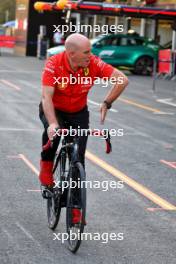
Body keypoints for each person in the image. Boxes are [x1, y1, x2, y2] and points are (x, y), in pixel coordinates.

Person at [39, 33, 129, 195]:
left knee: (78, 158)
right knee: (54, 135)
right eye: (86, 52)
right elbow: (46, 97)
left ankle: (75, 210)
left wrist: (107, 102)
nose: (91, 55)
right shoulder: (54, 64)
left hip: (78, 112)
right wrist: (52, 123)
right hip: (55, 108)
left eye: (91, 51)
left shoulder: (93, 63)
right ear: (72, 54)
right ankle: (46, 169)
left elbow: (122, 80)